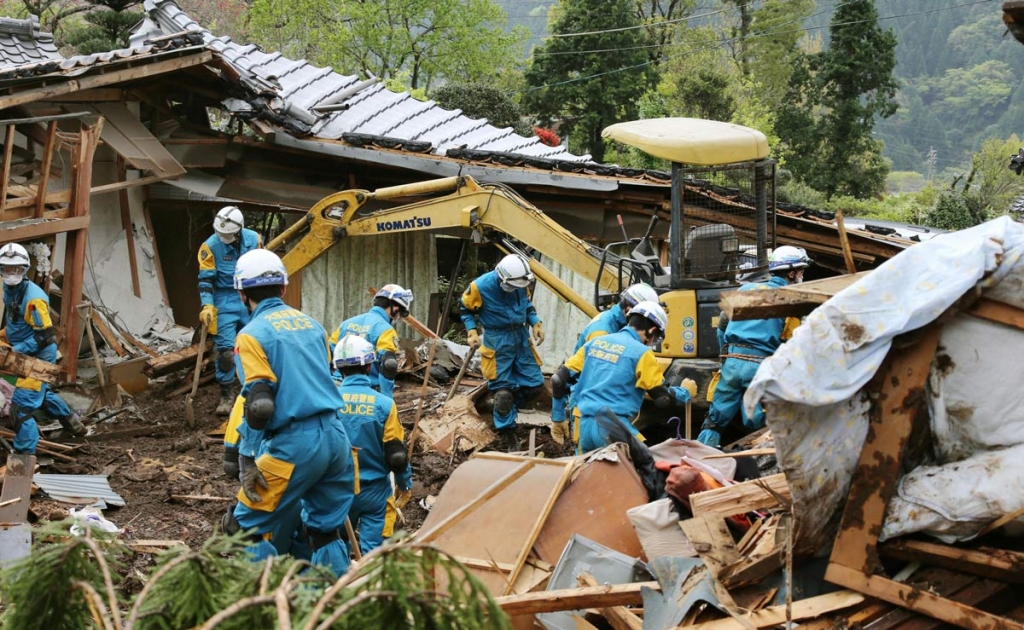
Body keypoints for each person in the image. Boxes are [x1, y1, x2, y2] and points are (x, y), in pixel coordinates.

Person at [222, 249, 355, 576]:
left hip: (295, 446)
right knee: (325, 531)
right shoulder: (314, 326)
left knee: (241, 527)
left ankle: (265, 605)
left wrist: (247, 456)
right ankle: (332, 606)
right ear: (283, 287)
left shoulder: (251, 335)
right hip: (337, 439)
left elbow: (260, 403)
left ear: (242, 294)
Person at [697, 246, 811, 447]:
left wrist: (727, 355)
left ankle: (700, 455)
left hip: (732, 364)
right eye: (800, 271)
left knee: (715, 419)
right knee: (758, 422)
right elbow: (791, 344)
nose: (802, 275)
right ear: (791, 273)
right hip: (760, 367)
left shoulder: (745, 290)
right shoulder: (789, 299)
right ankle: (754, 463)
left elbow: (722, 324)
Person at [551, 301, 697, 454]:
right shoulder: (642, 353)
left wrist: (558, 417)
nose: (653, 342)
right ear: (652, 330)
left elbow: (558, 380)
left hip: (584, 428)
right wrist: (685, 393)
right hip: (613, 429)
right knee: (644, 470)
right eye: (656, 338)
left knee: (587, 475)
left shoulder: (595, 343)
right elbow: (663, 399)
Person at [550, 282, 659, 445]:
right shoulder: (602, 332)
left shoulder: (616, 326)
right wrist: (558, 417)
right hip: (593, 411)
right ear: (629, 309)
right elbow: (564, 379)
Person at [333, 334, 413, 555]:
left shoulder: (329, 401)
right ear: (369, 366)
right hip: (375, 491)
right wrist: (404, 483)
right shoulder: (385, 404)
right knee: (372, 553)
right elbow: (396, 454)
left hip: (337, 489)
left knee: (336, 545)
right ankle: (368, 583)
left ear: (338, 368)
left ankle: (339, 584)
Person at [0, 243, 84, 453]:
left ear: (25, 269)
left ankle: (23, 461)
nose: (11, 273)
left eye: (16, 269)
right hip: (25, 350)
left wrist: (15, 349)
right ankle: (73, 422)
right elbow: (16, 321)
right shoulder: (10, 289)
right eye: (6, 269)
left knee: (21, 408)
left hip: (38, 356)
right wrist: (4, 335)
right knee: (41, 393)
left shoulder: (34, 299)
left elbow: (44, 336)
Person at [460, 254, 545, 450]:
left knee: (534, 384)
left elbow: (528, 306)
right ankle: (507, 432)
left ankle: (501, 408)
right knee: (504, 392)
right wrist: (471, 331)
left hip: (521, 337)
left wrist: (535, 322)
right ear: (502, 278)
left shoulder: (522, 282)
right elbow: (465, 309)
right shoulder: (479, 287)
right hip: (497, 340)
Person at [197, 205, 262, 416]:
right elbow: (206, 281)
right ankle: (226, 395)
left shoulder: (254, 239)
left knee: (255, 346)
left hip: (250, 297)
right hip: (224, 300)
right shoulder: (209, 247)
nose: (223, 236)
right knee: (226, 353)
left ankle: (256, 390)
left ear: (239, 230)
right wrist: (207, 305)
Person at [330, 284, 413, 398]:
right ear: (395, 308)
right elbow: (389, 365)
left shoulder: (346, 324)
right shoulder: (386, 330)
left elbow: (327, 351)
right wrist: (386, 398)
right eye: (399, 313)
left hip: (336, 388)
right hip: (366, 391)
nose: (397, 317)